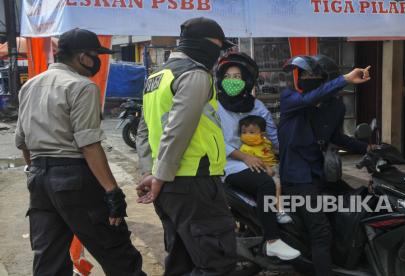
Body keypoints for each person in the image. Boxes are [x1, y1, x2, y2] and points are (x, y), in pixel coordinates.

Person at [15, 28, 145, 276]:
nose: (98, 61)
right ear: (82, 56)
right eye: (96, 55)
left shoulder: (30, 86)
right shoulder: (82, 86)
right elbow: (88, 144)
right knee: (117, 252)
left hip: (39, 180)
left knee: (49, 258)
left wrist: (35, 174)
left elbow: (22, 141)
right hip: (74, 178)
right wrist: (112, 191)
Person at [135, 17, 238, 275]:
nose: (219, 53)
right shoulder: (194, 74)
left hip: (170, 185)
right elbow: (179, 129)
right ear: (202, 44)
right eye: (218, 46)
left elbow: (144, 131)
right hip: (195, 182)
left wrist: (150, 171)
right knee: (217, 261)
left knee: (182, 261)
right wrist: (158, 174)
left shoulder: (156, 77)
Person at [279, 54, 372, 275]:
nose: (304, 78)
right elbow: (309, 100)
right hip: (296, 177)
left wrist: (367, 149)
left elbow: (336, 137)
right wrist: (346, 79)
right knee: (320, 232)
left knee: (357, 206)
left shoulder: (336, 107)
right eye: (302, 74)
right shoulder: (291, 99)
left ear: (324, 78)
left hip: (320, 173)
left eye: (311, 74)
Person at [217, 52, 300, 260]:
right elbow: (214, 141)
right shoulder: (213, 106)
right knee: (265, 184)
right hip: (230, 164)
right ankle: (273, 241)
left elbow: (273, 135)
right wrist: (245, 158)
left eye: (237, 77)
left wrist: (290, 153)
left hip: (260, 160)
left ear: (246, 80)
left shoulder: (257, 106)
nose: (232, 81)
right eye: (228, 77)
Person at [238, 115, 291, 223]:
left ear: (262, 134)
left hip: (276, 167)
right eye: (244, 132)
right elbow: (254, 163)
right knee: (277, 186)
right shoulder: (245, 149)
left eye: (251, 132)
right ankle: (280, 212)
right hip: (265, 170)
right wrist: (267, 169)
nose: (247, 135)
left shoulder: (266, 142)